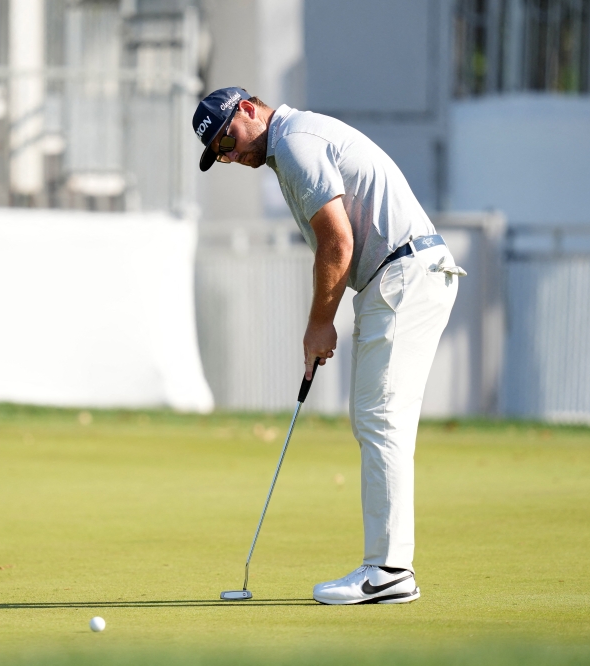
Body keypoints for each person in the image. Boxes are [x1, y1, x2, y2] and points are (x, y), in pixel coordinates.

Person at [193, 87, 465, 605]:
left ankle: (387, 571)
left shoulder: (295, 142)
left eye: (227, 139)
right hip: (398, 276)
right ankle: (388, 566)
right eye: (219, 154)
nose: (229, 155)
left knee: (380, 416)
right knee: (374, 416)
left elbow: (336, 242)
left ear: (248, 110)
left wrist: (320, 323)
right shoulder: (290, 144)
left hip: (403, 274)